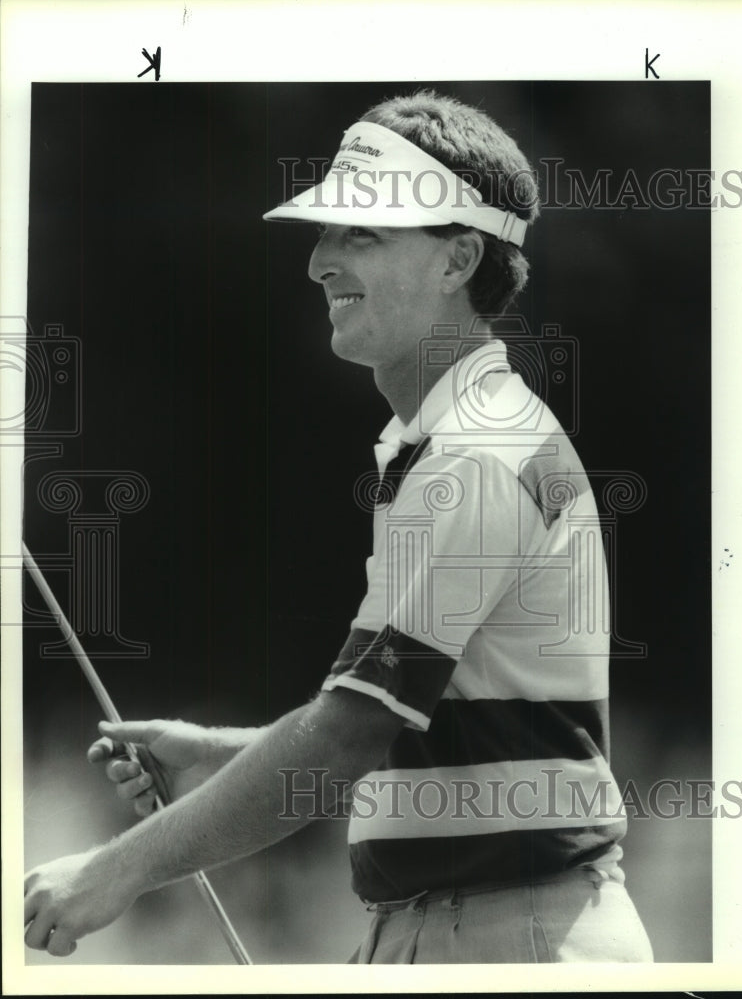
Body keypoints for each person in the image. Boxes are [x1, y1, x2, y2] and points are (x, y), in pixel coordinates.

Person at [23, 90, 653, 963]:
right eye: (325, 233)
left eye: (361, 234)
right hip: (483, 929)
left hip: (506, 937)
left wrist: (114, 871)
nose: (319, 262)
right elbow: (397, 728)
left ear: (457, 258)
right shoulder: (452, 440)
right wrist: (223, 757)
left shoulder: (475, 453)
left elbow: (351, 729)